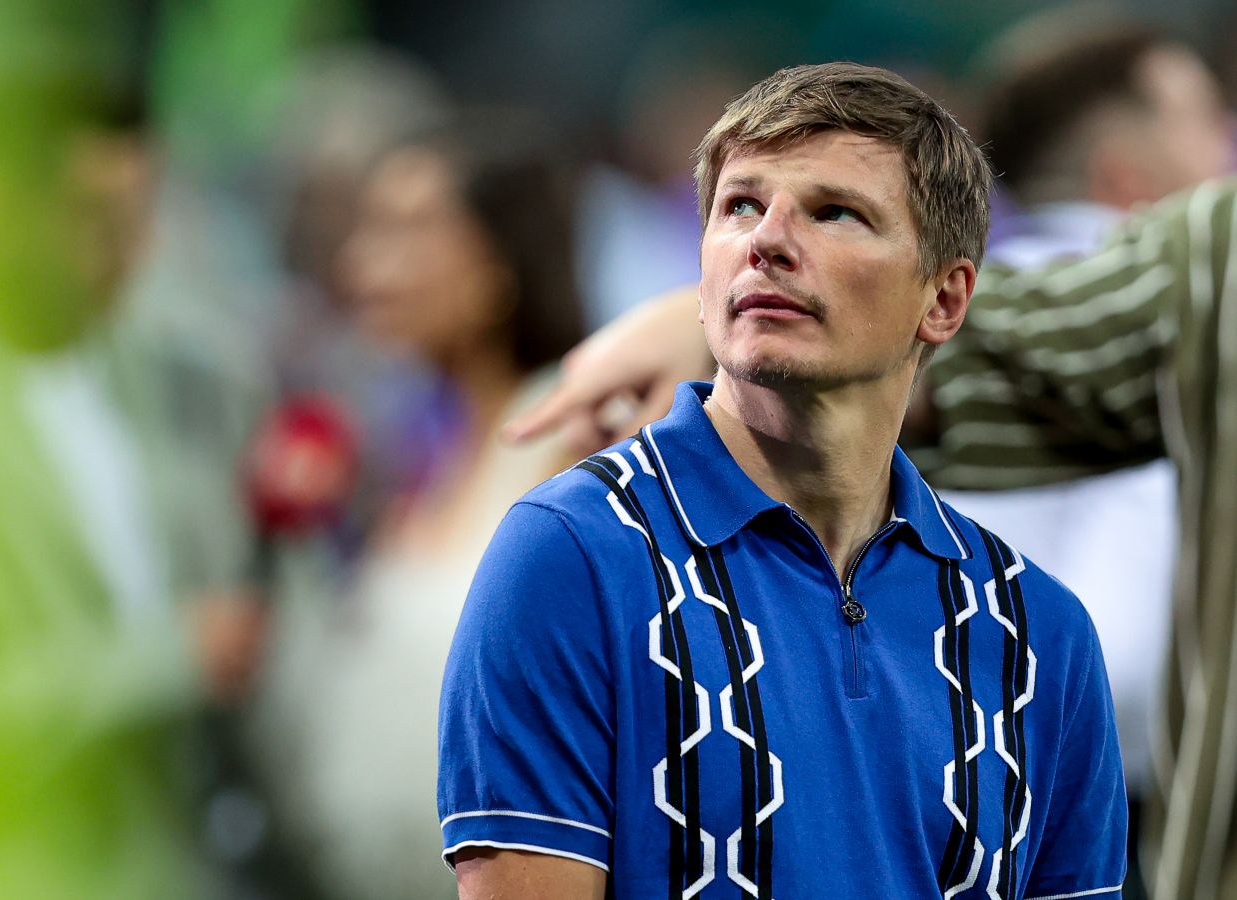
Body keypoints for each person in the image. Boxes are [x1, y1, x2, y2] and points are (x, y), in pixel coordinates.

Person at [441, 63, 1127, 899]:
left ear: (945, 300)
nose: (765, 240)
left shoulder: (1040, 633)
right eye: (739, 206)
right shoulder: (571, 554)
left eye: (835, 212)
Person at [248, 115, 586, 899]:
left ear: (500, 260)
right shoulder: (412, 450)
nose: (361, 265)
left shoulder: (578, 447)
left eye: (406, 231)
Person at [930, 20, 1233, 892]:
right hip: (1108, 801)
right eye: (1204, 117)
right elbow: (1125, 658)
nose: (1226, 140)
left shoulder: (942, 303)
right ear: (1121, 171)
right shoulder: (1168, 314)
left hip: (936, 786)